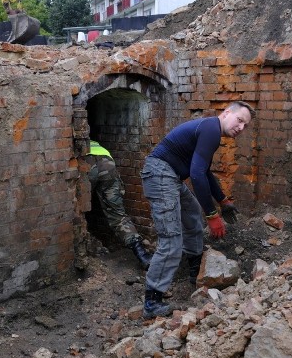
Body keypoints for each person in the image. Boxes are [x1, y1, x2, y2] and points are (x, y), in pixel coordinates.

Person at [140, 102, 255, 319]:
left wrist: (223, 201)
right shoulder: (211, 129)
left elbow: (205, 172)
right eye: (239, 120)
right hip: (161, 173)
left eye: (245, 126)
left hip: (170, 175)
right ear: (226, 113)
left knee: (192, 211)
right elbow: (197, 174)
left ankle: (195, 268)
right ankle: (152, 301)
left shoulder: (210, 129)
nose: (241, 128)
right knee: (171, 238)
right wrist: (212, 215)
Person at [85, 140, 153, 269]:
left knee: (76, 208)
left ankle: (81, 251)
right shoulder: (93, 142)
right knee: (117, 215)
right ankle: (142, 255)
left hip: (87, 163)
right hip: (107, 163)